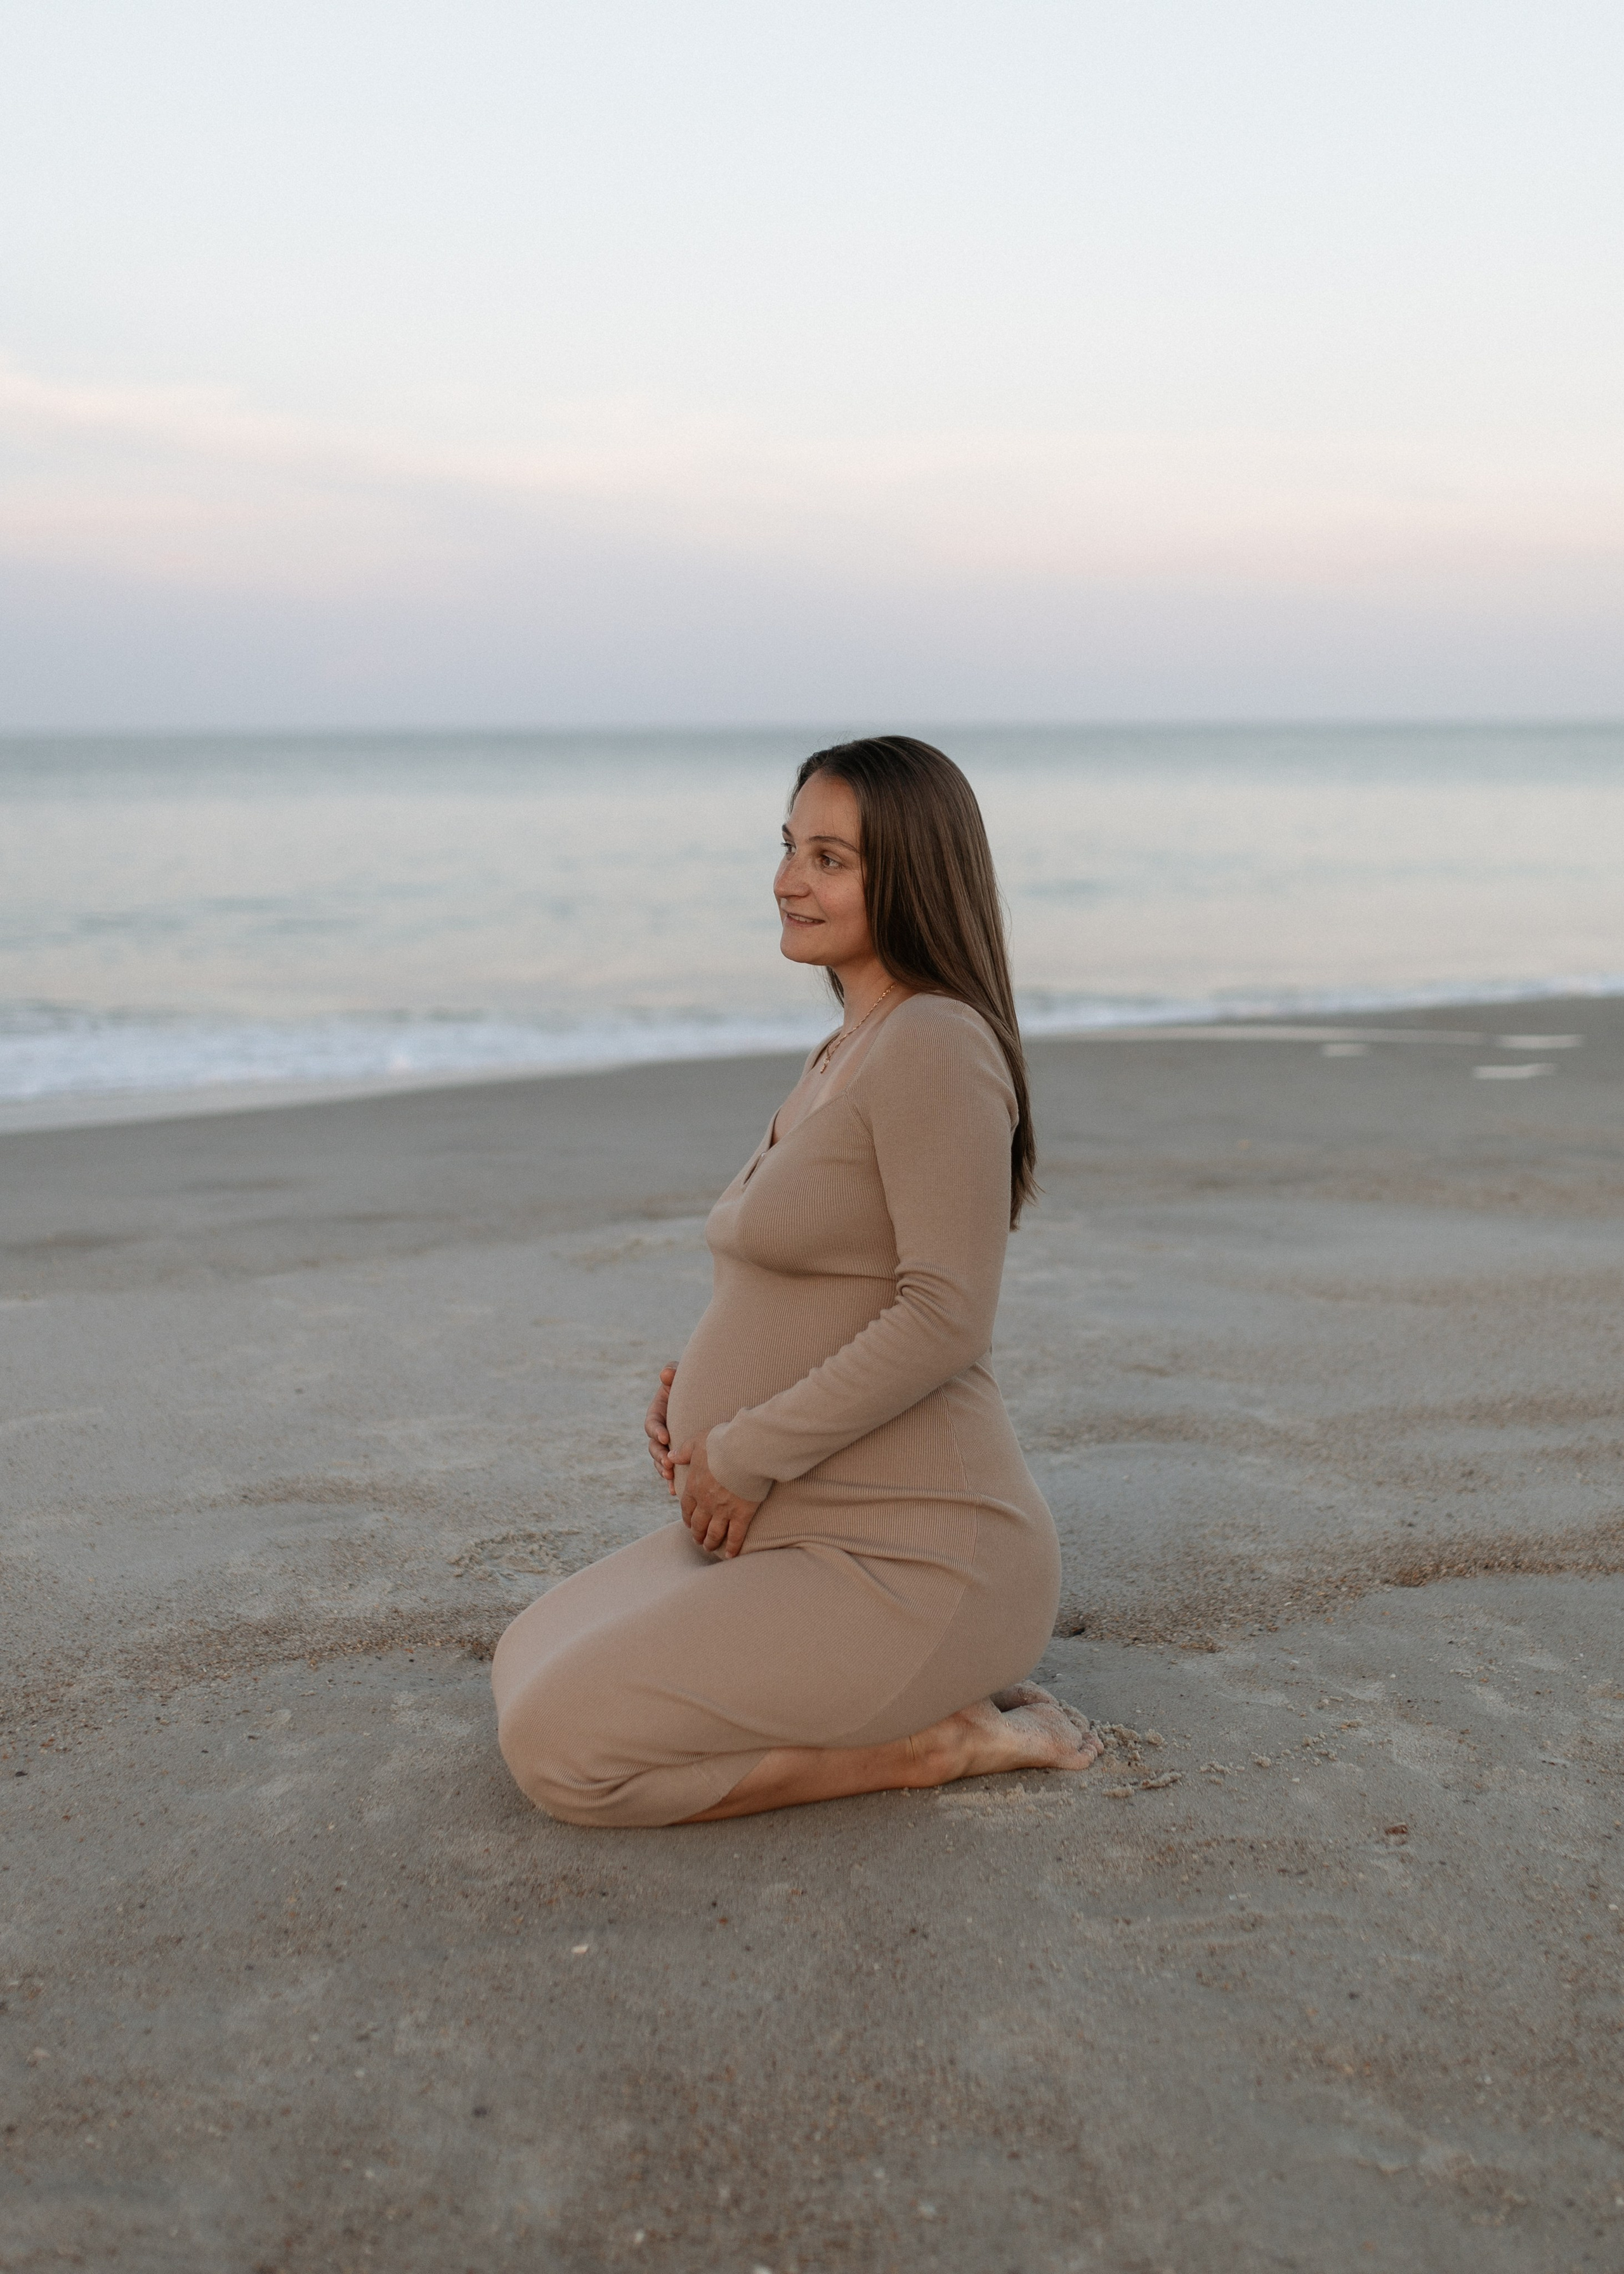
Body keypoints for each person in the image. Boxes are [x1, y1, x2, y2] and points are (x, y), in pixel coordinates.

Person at [491, 735, 1102, 1824]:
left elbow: (947, 1312)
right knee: (522, 1662)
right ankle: (873, 1692)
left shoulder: (936, 1044)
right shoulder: (847, 1047)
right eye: (788, 848)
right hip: (790, 1527)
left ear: (910, 873)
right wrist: (700, 1399)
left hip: (917, 1555)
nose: (788, 880)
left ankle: (933, 1743)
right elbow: (813, 1281)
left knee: (562, 1753)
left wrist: (745, 1448)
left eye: (830, 858)